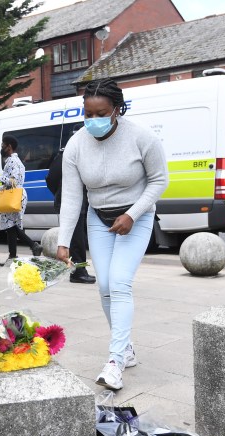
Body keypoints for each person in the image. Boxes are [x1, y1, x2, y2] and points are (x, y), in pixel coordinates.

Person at [56, 78, 168, 391]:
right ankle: (127, 348)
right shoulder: (77, 145)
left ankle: (115, 361)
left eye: (100, 113)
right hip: (99, 218)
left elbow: (159, 181)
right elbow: (73, 197)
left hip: (137, 216)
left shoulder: (141, 137)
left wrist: (133, 214)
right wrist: (64, 241)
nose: (92, 120)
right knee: (104, 285)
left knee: (119, 283)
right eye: (87, 114)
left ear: (116, 109)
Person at [47, 145, 95, 284]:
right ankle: (78, 272)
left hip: (71, 200)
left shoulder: (64, 153)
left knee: (78, 238)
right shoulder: (71, 154)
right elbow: (52, 178)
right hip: (70, 202)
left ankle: (79, 270)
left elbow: (51, 179)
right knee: (77, 239)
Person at [0, 135, 42, 266]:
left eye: (2, 145)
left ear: (9, 147)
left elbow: (13, 182)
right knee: (11, 227)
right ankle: (13, 256)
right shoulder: (16, 161)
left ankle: (33, 245)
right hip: (16, 195)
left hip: (14, 196)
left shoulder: (12, 161)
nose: (1, 148)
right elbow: (11, 183)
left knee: (12, 226)